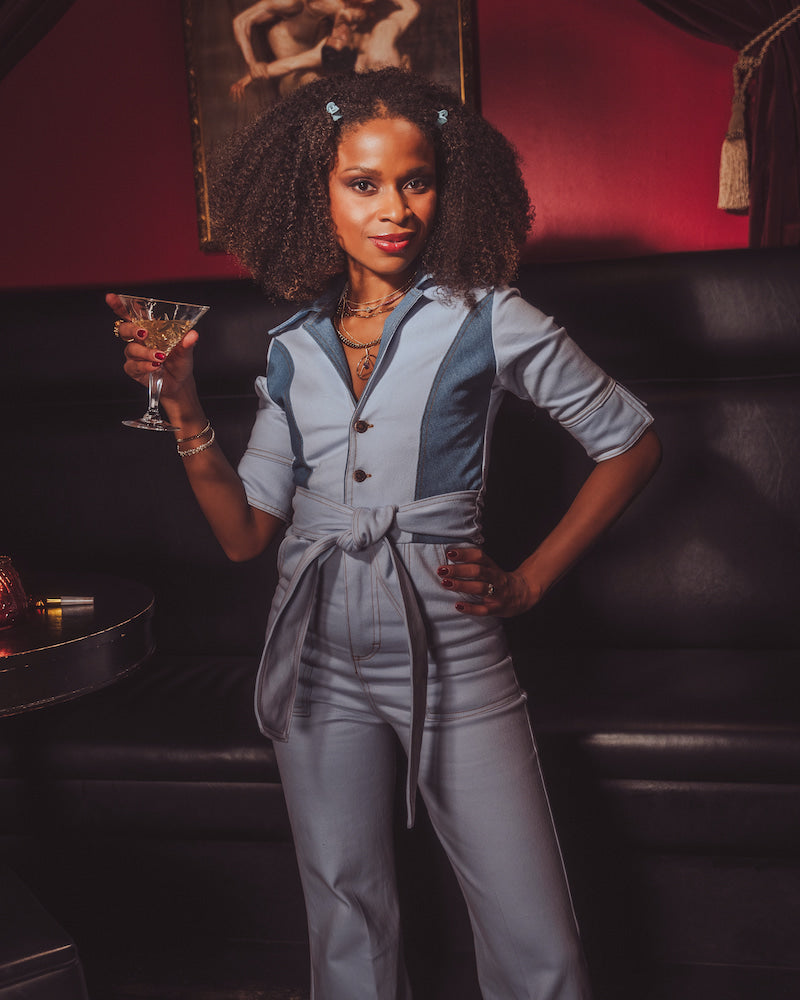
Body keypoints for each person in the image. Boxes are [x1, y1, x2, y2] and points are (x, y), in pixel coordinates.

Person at [108, 67, 661, 999]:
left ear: (448, 186)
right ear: (316, 192)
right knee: (346, 922)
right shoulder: (293, 350)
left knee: (537, 944)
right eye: (362, 183)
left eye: (417, 179)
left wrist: (528, 582)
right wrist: (181, 405)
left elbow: (631, 441)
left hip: (447, 634)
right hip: (312, 634)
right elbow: (246, 536)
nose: (394, 207)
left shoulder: (491, 316)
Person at [231, 0, 419, 100]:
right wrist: (252, 67)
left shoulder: (376, 32)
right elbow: (290, 64)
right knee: (308, 80)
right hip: (297, 59)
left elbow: (410, 9)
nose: (337, 31)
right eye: (336, 35)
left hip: (324, 62)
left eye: (337, 35)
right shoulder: (289, 4)